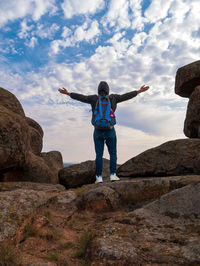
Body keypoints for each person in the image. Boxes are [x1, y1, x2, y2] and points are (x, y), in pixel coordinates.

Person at [58, 81, 149, 184]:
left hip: (97, 131)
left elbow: (81, 97)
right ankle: (113, 175)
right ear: (108, 90)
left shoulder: (94, 98)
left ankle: (99, 177)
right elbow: (126, 96)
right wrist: (139, 91)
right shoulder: (113, 98)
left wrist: (68, 93)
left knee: (99, 155)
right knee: (113, 153)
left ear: (98, 90)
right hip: (110, 130)